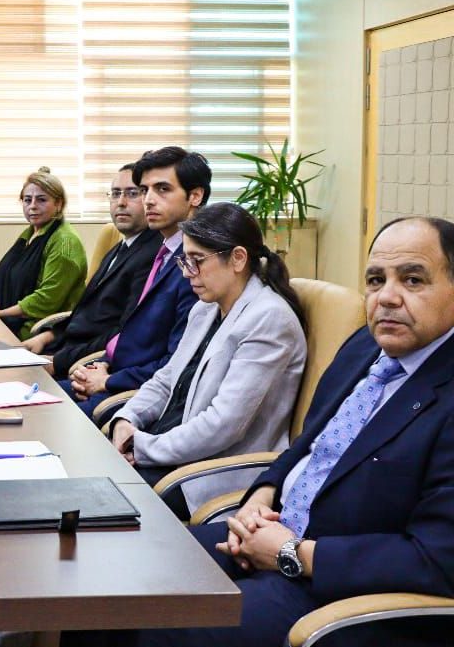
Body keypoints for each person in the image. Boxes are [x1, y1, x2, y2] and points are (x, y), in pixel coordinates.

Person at [68, 216, 454, 647]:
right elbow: (308, 446)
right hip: (267, 532)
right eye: (376, 280)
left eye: (413, 280)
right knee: (107, 578)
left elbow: (437, 558)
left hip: (330, 585)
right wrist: (260, 497)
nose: (387, 297)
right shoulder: (365, 347)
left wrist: (293, 553)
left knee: (151, 626)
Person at [108, 203, 307, 520]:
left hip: (211, 470)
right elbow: (167, 379)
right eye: (184, 260)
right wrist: (127, 419)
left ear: (238, 258)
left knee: (108, 499)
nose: (187, 272)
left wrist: (143, 447)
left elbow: (223, 425)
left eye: (197, 260)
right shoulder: (206, 307)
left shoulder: (269, 318)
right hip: (172, 451)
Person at [61, 146, 206, 420]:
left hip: (137, 394)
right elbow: (133, 332)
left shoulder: (195, 264)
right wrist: (102, 366)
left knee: (46, 422)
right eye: (145, 190)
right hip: (113, 371)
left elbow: (177, 361)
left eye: (162, 189)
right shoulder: (165, 251)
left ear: (195, 196)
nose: (149, 200)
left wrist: (108, 381)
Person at [22, 163, 160, 377]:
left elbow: (122, 333)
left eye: (132, 193)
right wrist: (47, 336)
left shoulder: (152, 255)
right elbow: (85, 311)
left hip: (86, 365)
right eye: (115, 193)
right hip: (64, 348)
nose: (121, 202)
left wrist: (58, 361)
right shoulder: (120, 246)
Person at [0, 167, 87, 339]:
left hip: (39, 331)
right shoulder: (31, 234)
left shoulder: (65, 242)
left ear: (59, 204)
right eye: (27, 200)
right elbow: (8, 274)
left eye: (41, 200)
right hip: (9, 322)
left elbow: (47, 299)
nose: (33, 206)